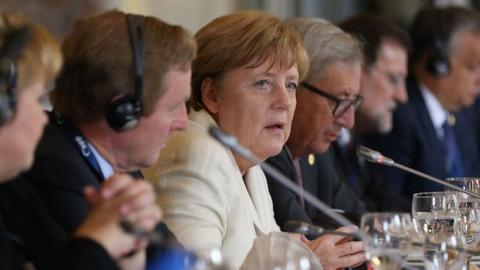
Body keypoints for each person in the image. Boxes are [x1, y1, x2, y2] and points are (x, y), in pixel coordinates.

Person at [144, 11, 365, 270]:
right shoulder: (198, 156)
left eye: (291, 85)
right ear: (212, 95)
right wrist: (305, 263)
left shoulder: (250, 163)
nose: (284, 101)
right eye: (263, 83)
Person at [0, 12, 161, 270]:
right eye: (37, 97)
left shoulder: (14, 193)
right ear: (2, 107)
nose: (44, 117)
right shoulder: (46, 169)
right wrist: (97, 241)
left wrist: (125, 251)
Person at [22, 9, 196, 239]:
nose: (183, 123)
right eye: (173, 107)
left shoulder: (122, 168)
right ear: (123, 111)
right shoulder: (56, 171)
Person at [364, 6, 480, 204]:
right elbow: (385, 204)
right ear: (437, 64)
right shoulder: (398, 116)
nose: (479, 78)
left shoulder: (461, 119)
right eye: (471, 66)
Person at [265, 17, 367, 230]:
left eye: (353, 102)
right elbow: (310, 245)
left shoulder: (317, 152)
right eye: (340, 101)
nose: (349, 121)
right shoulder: (266, 154)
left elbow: (363, 224)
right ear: (295, 88)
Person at [332, 14, 412, 211]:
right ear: (357, 71)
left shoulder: (356, 143)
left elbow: (389, 207)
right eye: (394, 79)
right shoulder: (319, 142)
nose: (403, 96)